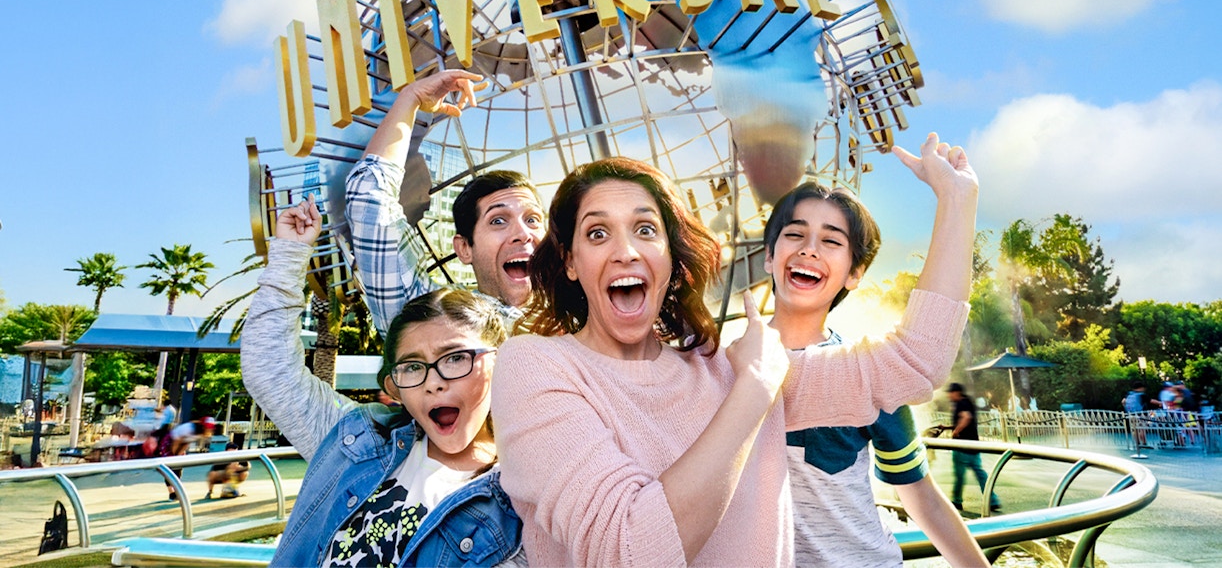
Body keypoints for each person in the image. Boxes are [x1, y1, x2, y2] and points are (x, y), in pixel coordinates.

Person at [491, 134, 974, 566]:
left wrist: (957, 201)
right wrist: (755, 390)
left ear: (672, 261)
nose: (626, 252)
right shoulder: (535, 365)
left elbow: (916, 363)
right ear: (571, 262)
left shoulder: (721, 367)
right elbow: (630, 551)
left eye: (645, 230)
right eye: (598, 233)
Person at [241, 195, 521, 566]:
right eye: (412, 366)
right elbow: (269, 370)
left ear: (502, 364)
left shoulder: (523, 495)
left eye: (455, 358)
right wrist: (289, 254)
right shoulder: (357, 441)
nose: (433, 383)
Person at [762, 180, 986, 567]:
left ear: (855, 273)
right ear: (769, 256)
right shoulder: (721, 369)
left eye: (832, 242)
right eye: (795, 233)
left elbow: (921, 496)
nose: (809, 248)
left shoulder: (869, 374)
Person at [345, 69, 545, 334]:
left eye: (532, 219)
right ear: (464, 248)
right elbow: (367, 197)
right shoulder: (438, 323)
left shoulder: (593, 313)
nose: (523, 234)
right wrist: (410, 99)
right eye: (498, 220)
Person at [947, 382, 1002, 513]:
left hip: (962, 446)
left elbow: (966, 418)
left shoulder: (961, 403)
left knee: (959, 475)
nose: (949, 395)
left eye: (950, 393)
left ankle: (956, 500)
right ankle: (992, 499)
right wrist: (947, 427)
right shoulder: (968, 402)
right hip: (973, 445)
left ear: (956, 392)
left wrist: (955, 432)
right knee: (980, 473)